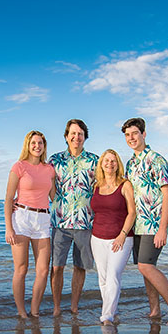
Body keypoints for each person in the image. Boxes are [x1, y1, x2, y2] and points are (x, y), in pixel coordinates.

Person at [122, 117, 168, 326]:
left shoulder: (157, 160)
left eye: (135, 133)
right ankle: (154, 311)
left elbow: (167, 194)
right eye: (127, 135)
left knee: (145, 266)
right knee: (147, 268)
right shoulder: (130, 164)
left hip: (153, 224)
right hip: (137, 225)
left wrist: (162, 229)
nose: (131, 138)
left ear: (144, 134)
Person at [48, 119, 99, 316]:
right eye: (73, 133)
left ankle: (74, 306)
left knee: (80, 267)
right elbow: (47, 187)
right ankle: (56, 307)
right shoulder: (54, 160)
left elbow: (102, 187)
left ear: (85, 137)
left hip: (85, 223)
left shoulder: (95, 161)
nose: (76, 137)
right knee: (57, 267)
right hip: (60, 223)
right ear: (66, 136)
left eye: (80, 133)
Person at [4, 130, 56, 318]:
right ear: (28, 145)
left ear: (44, 146)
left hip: (43, 219)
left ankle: (34, 310)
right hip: (22, 219)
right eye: (33, 143)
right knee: (21, 268)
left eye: (40, 143)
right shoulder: (19, 166)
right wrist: (8, 227)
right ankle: (22, 312)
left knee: (42, 270)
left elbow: (54, 196)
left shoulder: (49, 169)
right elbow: (9, 198)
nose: (37, 146)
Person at [89, 149, 136, 324]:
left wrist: (122, 235)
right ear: (101, 164)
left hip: (120, 239)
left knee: (113, 275)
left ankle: (107, 316)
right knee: (102, 277)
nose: (110, 164)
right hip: (97, 238)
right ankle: (111, 310)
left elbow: (132, 213)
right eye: (106, 161)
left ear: (118, 164)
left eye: (113, 161)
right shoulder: (96, 186)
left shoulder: (125, 185)